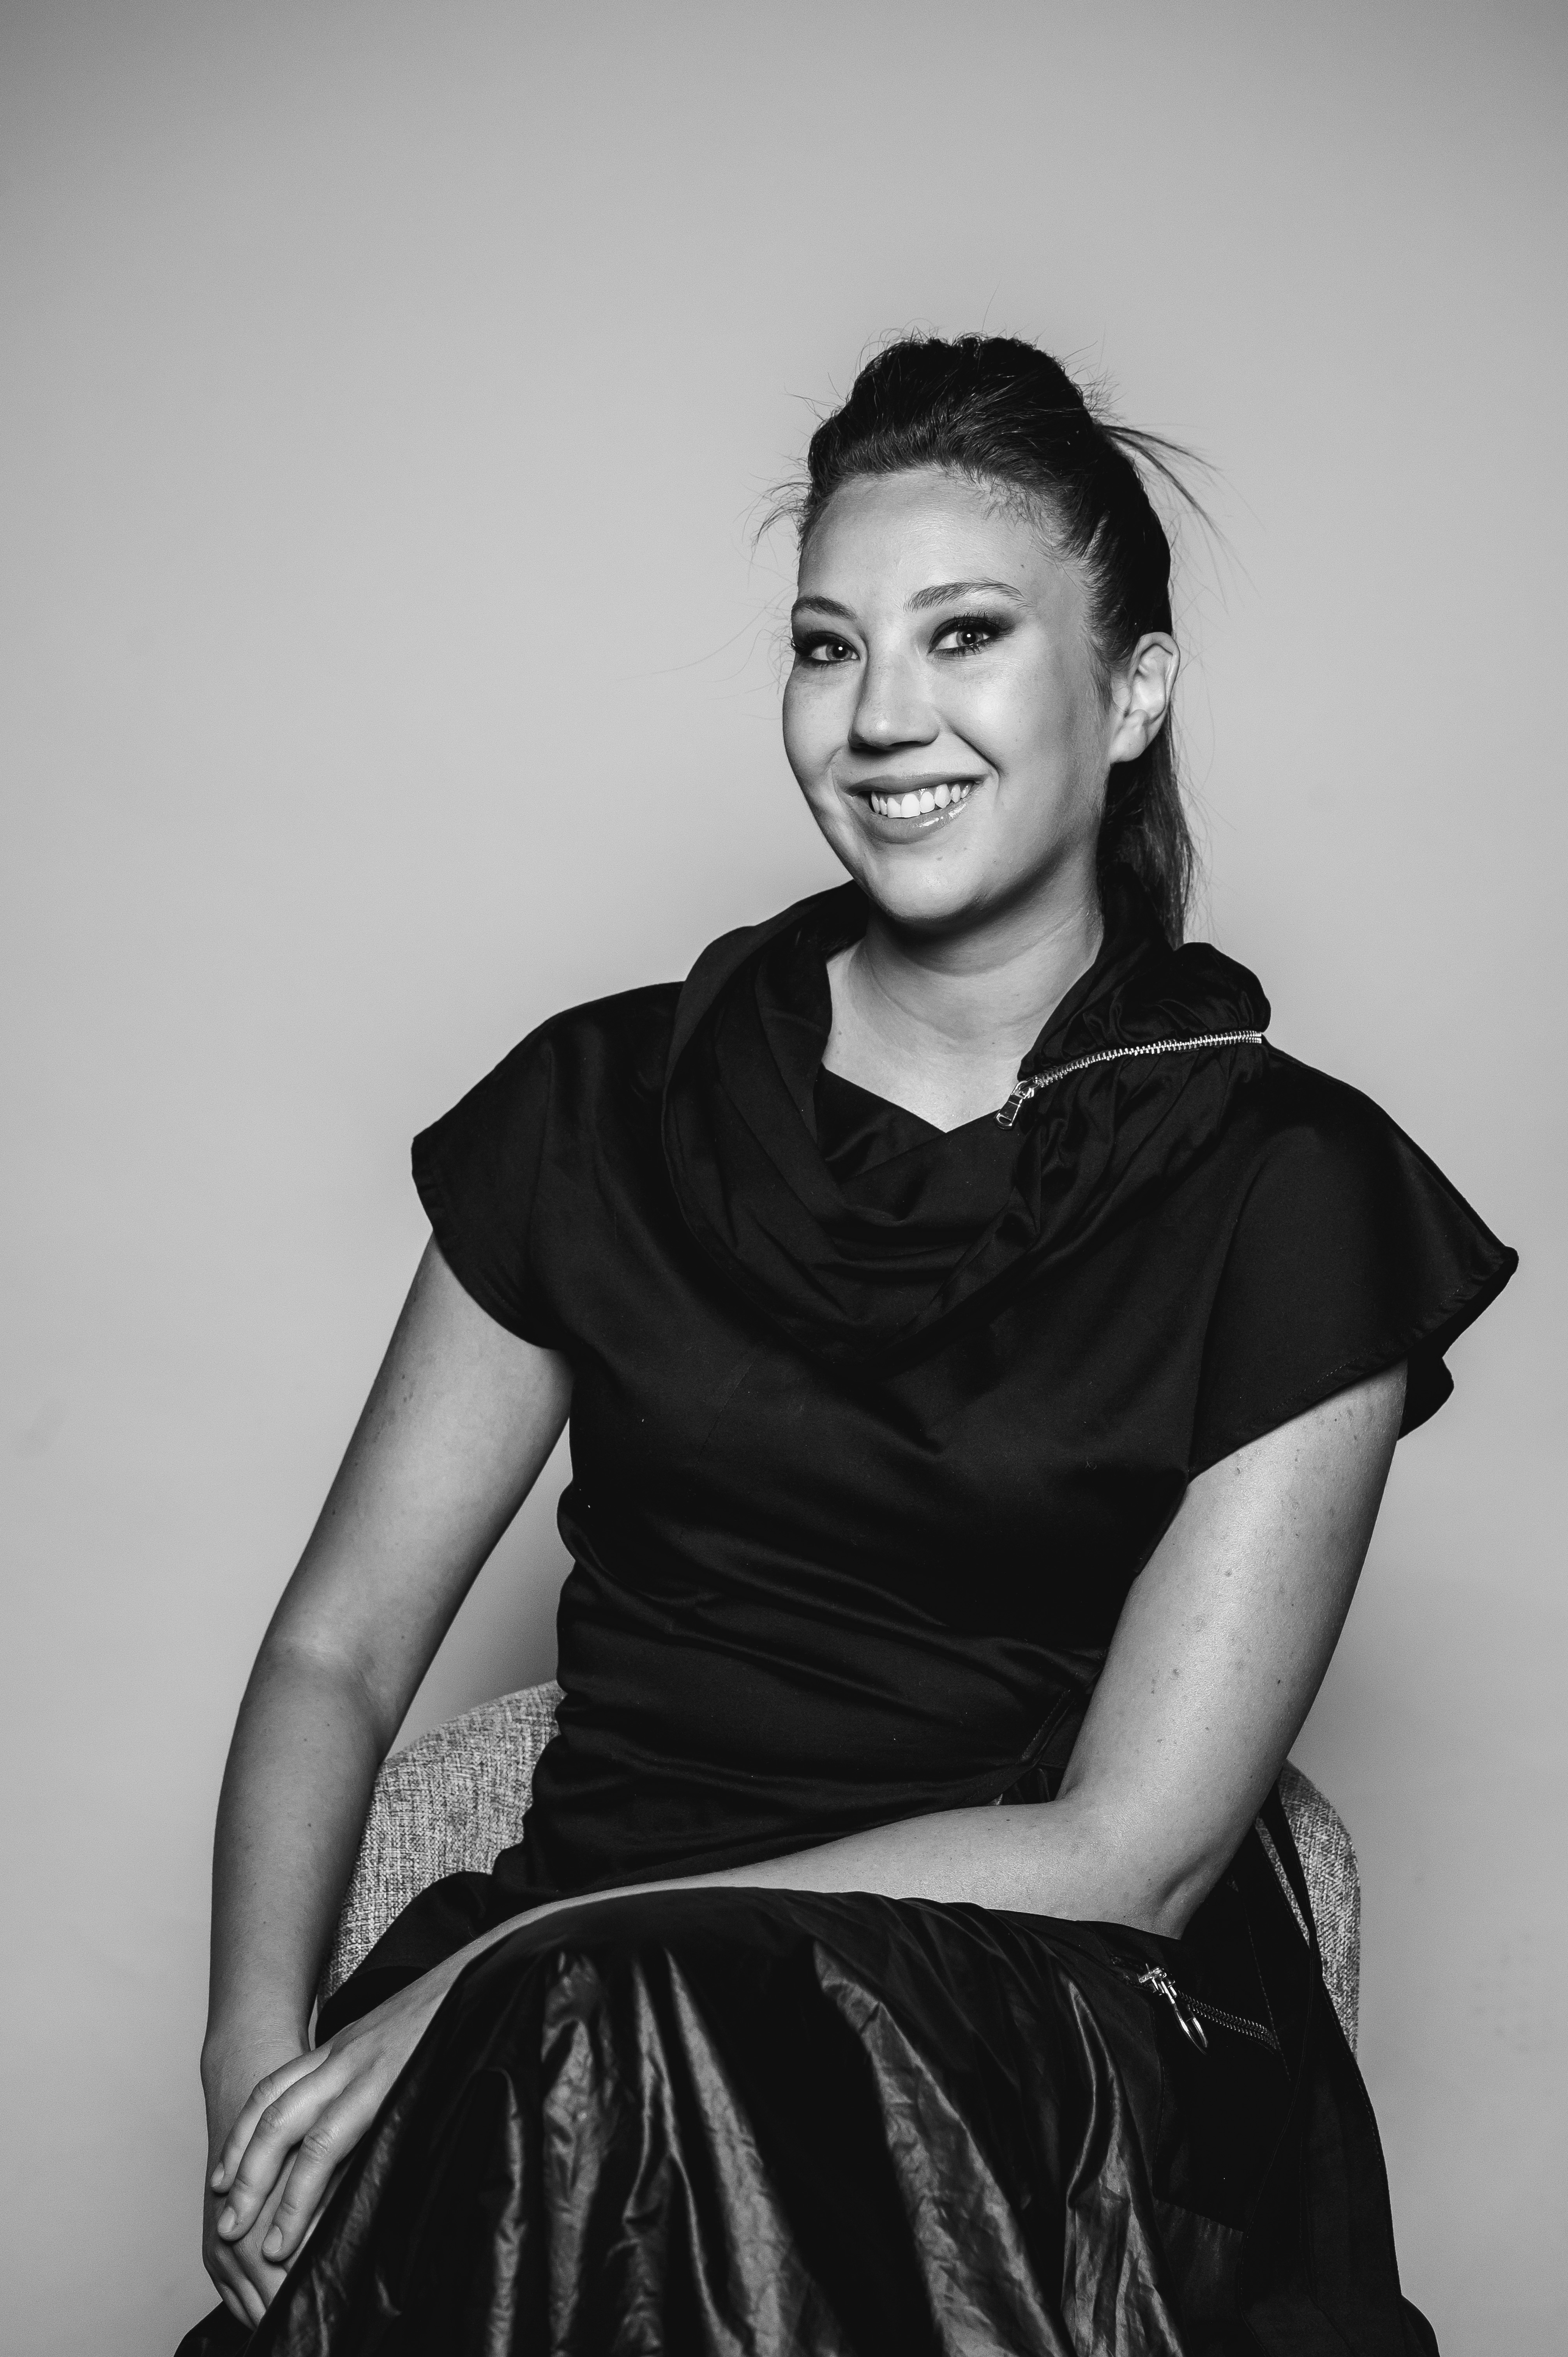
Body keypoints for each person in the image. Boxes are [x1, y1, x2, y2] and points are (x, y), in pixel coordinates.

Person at [178, 334, 1515, 2356]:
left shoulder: (1292, 1190)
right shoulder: (601, 1108)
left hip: (1017, 2026)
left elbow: (1136, 1851)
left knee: (613, 2052)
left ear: (1131, 692)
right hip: (560, 2029)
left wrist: (530, 1966)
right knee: (584, 2089)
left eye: (964, 634)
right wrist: (252, 2061)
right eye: (827, 647)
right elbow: (337, 1652)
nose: (881, 714)